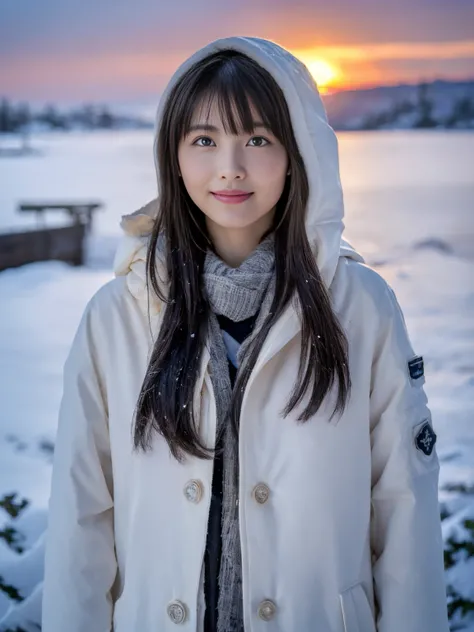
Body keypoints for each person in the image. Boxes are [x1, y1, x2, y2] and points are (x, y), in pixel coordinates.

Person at [41, 36, 449, 632]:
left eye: (257, 139)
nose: (230, 166)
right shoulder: (115, 317)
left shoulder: (362, 308)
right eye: (204, 140)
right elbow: (82, 519)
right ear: (173, 155)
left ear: (296, 151)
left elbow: (402, 509)